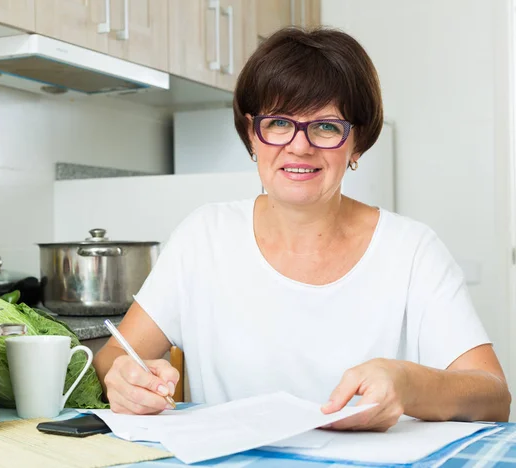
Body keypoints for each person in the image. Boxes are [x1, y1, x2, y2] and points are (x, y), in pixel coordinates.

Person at [93, 26, 511, 431]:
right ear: (252, 135)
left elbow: (494, 396)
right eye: (278, 123)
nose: (299, 145)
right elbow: (115, 355)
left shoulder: (412, 250)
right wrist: (126, 380)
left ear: (356, 143)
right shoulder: (204, 237)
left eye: (326, 126)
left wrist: (408, 383)